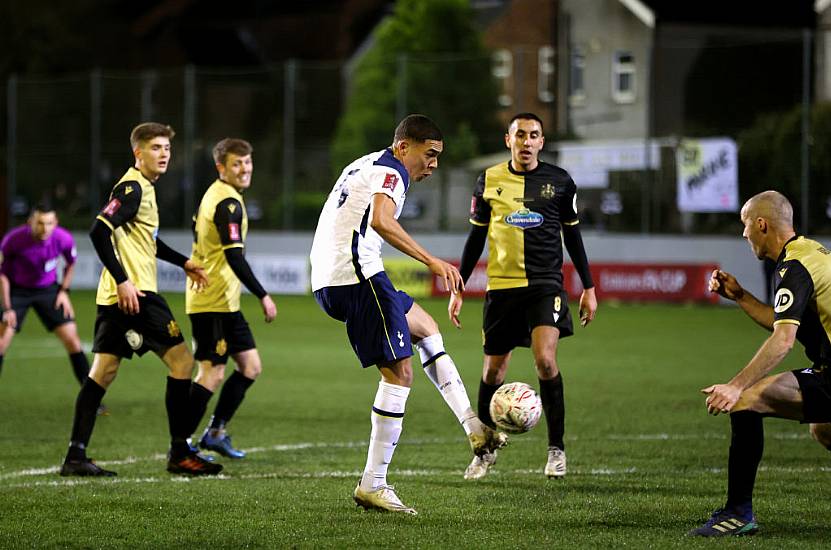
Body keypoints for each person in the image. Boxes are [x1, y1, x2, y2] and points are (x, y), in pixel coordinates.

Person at [310, 114, 507, 515]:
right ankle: (373, 483)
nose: (433, 164)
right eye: (429, 153)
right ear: (403, 146)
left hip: (333, 276)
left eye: (438, 157)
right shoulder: (392, 172)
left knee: (427, 328)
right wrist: (433, 261)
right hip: (358, 276)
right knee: (400, 373)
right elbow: (382, 221)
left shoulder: (366, 163)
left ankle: (475, 429)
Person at [59, 122, 223, 477]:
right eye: (156, 148)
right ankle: (180, 453)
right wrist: (124, 281)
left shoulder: (143, 188)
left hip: (116, 296)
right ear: (138, 153)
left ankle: (75, 455)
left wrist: (184, 263)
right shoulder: (133, 187)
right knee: (183, 362)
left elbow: (147, 242)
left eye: (167, 148)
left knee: (103, 371)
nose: (164, 154)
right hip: (137, 296)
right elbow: (98, 230)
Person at [449, 112, 597, 481]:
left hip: (546, 285)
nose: (527, 141)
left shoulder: (560, 182)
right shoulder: (488, 180)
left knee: (545, 361)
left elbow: (574, 237)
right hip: (501, 288)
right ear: (508, 140)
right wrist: (459, 286)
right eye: (520, 135)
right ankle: (485, 450)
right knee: (492, 371)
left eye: (534, 135)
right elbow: (475, 239)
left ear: (542, 142)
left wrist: (589, 287)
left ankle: (556, 450)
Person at [690, 190, 831, 537]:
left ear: (762, 224)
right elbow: (780, 321)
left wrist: (735, 385)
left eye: (745, 224)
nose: (743, 234)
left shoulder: (794, 267)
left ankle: (738, 513)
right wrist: (740, 296)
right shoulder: (808, 252)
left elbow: (783, 340)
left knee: (746, 400)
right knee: (824, 428)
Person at [187, 138, 277, 459]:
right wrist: (264, 295)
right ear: (221, 167)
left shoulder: (216, 194)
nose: (244, 169)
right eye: (236, 164)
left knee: (250, 366)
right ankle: (181, 443)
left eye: (247, 162)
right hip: (211, 300)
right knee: (211, 373)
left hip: (225, 301)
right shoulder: (228, 204)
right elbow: (235, 258)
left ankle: (215, 432)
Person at [0, 203, 92, 388]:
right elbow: (2, 275)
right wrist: (8, 308)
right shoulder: (13, 240)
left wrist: (64, 292)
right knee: (1, 342)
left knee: (73, 340)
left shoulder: (63, 238)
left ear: (56, 222)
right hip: (18, 291)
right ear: (30, 222)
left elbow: (70, 264)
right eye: (40, 223)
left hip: (48, 290)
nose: (45, 228)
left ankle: (91, 399)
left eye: (50, 223)